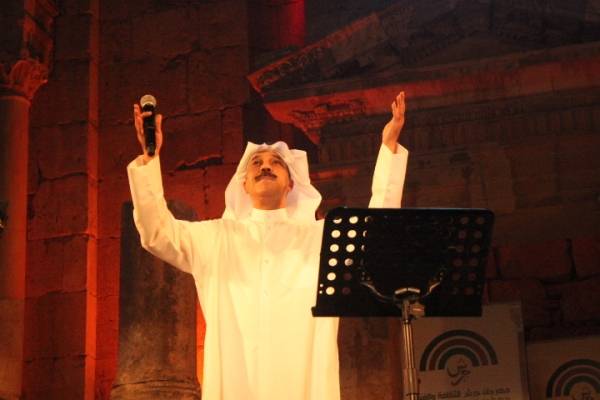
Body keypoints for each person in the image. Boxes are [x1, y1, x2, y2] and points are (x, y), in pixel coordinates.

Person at [127, 92, 409, 400]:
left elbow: (375, 232)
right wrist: (149, 161)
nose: (265, 166)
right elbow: (156, 232)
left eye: (276, 163)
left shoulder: (321, 239)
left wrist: (389, 149)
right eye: (257, 163)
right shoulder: (216, 239)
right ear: (244, 184)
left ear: (291, 183)